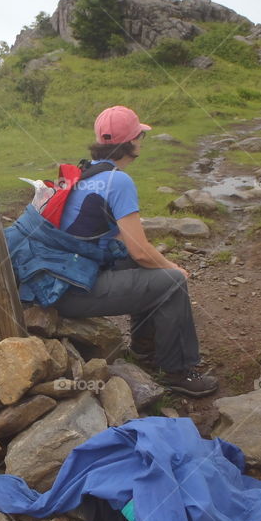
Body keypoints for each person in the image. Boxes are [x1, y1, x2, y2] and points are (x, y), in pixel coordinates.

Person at [50, 105, 218, 397]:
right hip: (73, 291)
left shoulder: (86, 174)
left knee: (143, 266)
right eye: (141, 135)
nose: (142, 140)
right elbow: (141, 251)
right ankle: (178, 372)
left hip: (62, 281)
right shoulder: (118, 181)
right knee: (171, 282)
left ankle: (145, 350)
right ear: (130, 142)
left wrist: (158, 263)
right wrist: (172, 268)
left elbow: (125, 248)